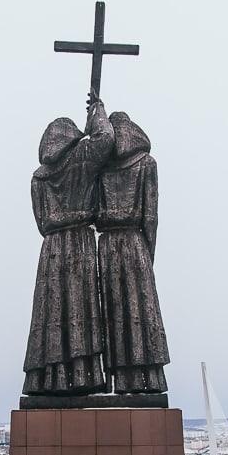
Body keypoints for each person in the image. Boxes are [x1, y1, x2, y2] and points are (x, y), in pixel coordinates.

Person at [22, 97, 113, 395]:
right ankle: (82, 375)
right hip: (79, 243)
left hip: (51, 248)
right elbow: (106, 138)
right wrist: (97, 111)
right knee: (80, 307)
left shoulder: (38, 177)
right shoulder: (82, 157)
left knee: (52, 310)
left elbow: (40, 221)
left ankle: (49, 379)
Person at [96, 112, 170, 394]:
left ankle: (120, 380)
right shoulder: (147, 164)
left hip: (108, 246)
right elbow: (150, 215)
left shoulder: (102, 167)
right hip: (135, 242)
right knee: (139, 309)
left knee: (114, 313)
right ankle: (146, 378)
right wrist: (147, 253)